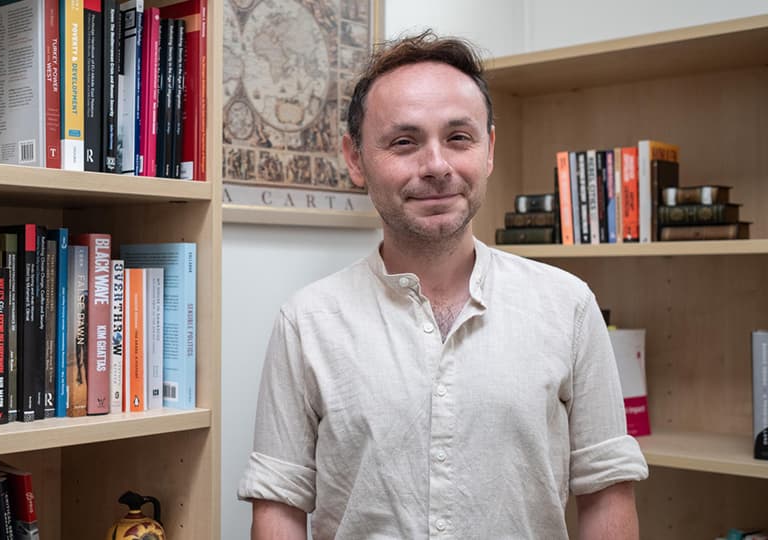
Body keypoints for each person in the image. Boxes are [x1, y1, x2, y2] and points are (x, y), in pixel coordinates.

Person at [237, 31, 649, 539]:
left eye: (458, 138)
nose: (436, 166)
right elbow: (278, 507)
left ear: (489, 149)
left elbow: (607, 492)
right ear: (354, 157)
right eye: (404, 142)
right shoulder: (307, 322)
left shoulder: (569, 307)